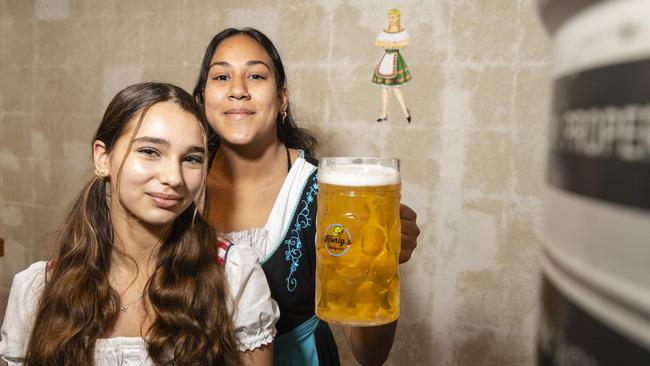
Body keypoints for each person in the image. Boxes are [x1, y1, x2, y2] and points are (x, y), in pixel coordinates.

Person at [0, 82, 279, 365]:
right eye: (150, 151)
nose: (173, 177)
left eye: (192, 159)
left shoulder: (234, 275)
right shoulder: (37, 290)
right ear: (103, 157)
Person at [193, 28, 420, 365]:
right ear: (202, 99)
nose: (238, 90)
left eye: (255, 75)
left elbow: (370, 354)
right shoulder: (178, 183)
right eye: (222, 76)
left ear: (282, 98)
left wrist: (380, 264)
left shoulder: (327, 193)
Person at [372, 8, 412, 123]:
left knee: (396, 87)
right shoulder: (385, 31)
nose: (391, 19)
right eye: (390, 17)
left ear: (398, 18)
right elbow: (376, 42)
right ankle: (384, 113)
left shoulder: (401, 31)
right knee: (384, 87)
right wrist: (388, 43)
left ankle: (405, 111)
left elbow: (407, 42)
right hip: (386, 59)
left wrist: (394, 44)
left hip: (395, 59)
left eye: (393, 17)